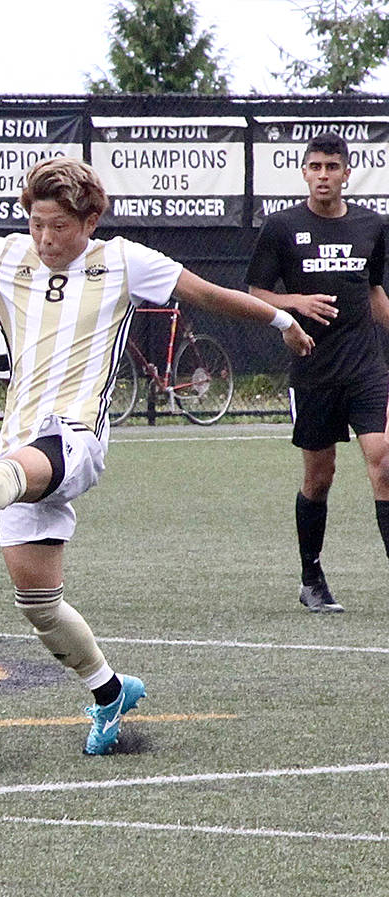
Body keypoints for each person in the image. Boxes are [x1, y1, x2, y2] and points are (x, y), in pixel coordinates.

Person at [0, 157, 314, 755]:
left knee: (18, 471)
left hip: (78, 432)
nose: (45, 238)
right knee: (38, 602)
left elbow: (208, 295)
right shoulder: (5, 256)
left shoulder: (122, 261)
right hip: (17, 434)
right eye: (37, 223)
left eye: (59, 226)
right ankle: (109, 690)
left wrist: (280, 320)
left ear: (90, 220)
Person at [246, 131, 389, 614]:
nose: (324, 175)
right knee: (319, 477)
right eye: (316, 167)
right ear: (304, 172)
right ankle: (312, 577)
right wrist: (294, 303)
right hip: (313, 369)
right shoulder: (282, 227)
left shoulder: (372, 225)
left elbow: (373, 294)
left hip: (366, 365)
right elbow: (256, 293)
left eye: (333, 167)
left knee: (384, 459)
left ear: (348, 173)